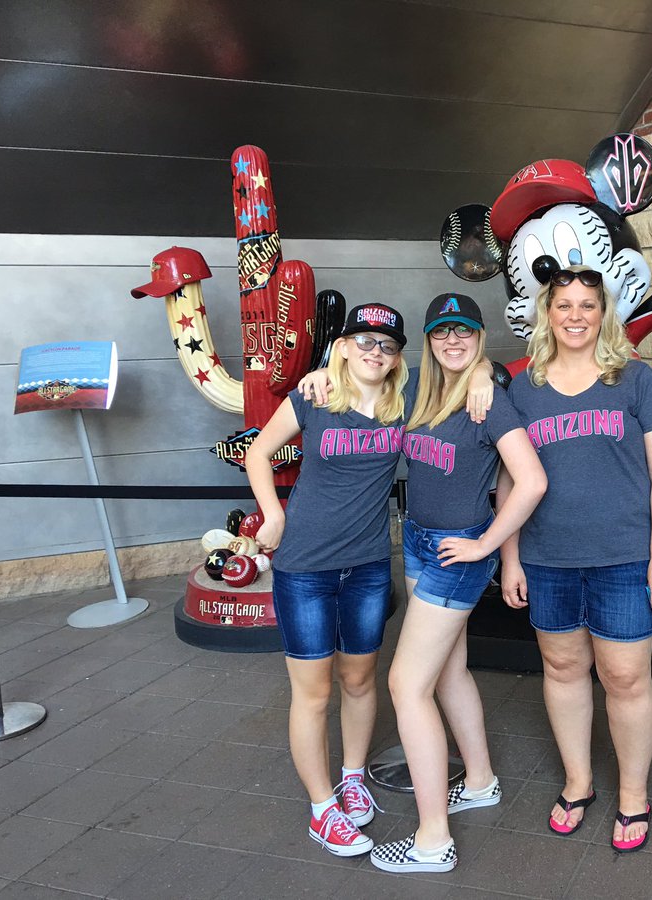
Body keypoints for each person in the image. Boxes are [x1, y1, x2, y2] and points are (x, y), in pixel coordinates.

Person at [499, 265, 652, 853]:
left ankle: (633, 794)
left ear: (604, 313)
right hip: (547, 557)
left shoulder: (633, 380)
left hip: (625, 558)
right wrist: (511, 559)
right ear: (546, 313)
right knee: (562, 671)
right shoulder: (522, 387)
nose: (575, 316)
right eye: (564, 305)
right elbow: (507, 481)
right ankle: (578, 783)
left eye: (587, 305)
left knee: (626, 677)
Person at [369, 294, 547, 874]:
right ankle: (480, 780)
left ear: (479, 335)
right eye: (442, 331)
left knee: (404, 683)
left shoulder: (489, 396)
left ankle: (432, 838)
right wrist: (324, 374)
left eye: (463, 331)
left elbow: (531, 481)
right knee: (447, 671)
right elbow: (363, 369)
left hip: (457, 552)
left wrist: (487, 545)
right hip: (420, 539)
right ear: (429, 337)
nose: (452, 340)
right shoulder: (418, 385)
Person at [245, 303, 409, 858]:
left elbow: (470, 372)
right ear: (341, 347)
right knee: (313, 694)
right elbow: (259, 453)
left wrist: (482, 373)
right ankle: (322, 808)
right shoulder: (313, 397)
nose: (374, 351)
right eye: (363, 340)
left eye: (386, 345)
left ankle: (353, 777)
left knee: (361, 680)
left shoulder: (403, 407)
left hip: (366, 566)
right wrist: (273, 513)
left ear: (397, 358)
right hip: (304, 568)